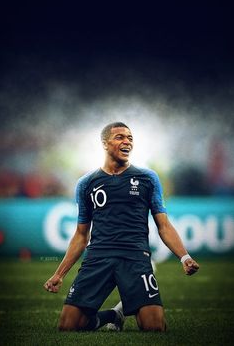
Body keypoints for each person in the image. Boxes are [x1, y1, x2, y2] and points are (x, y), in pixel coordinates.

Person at [44, 122, 199, 332]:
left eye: (130, 138)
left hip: (135, 256)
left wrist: (185, 257)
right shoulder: (86, 183)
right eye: (119, 137)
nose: (127, 141)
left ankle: (128, 309)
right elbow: (81, 235)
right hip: (98, 257)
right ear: (105, 144)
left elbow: (163, 225)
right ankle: (112, 315)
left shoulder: (148, 178)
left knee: (154, 327)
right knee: (68, 325)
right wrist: (59, 274)